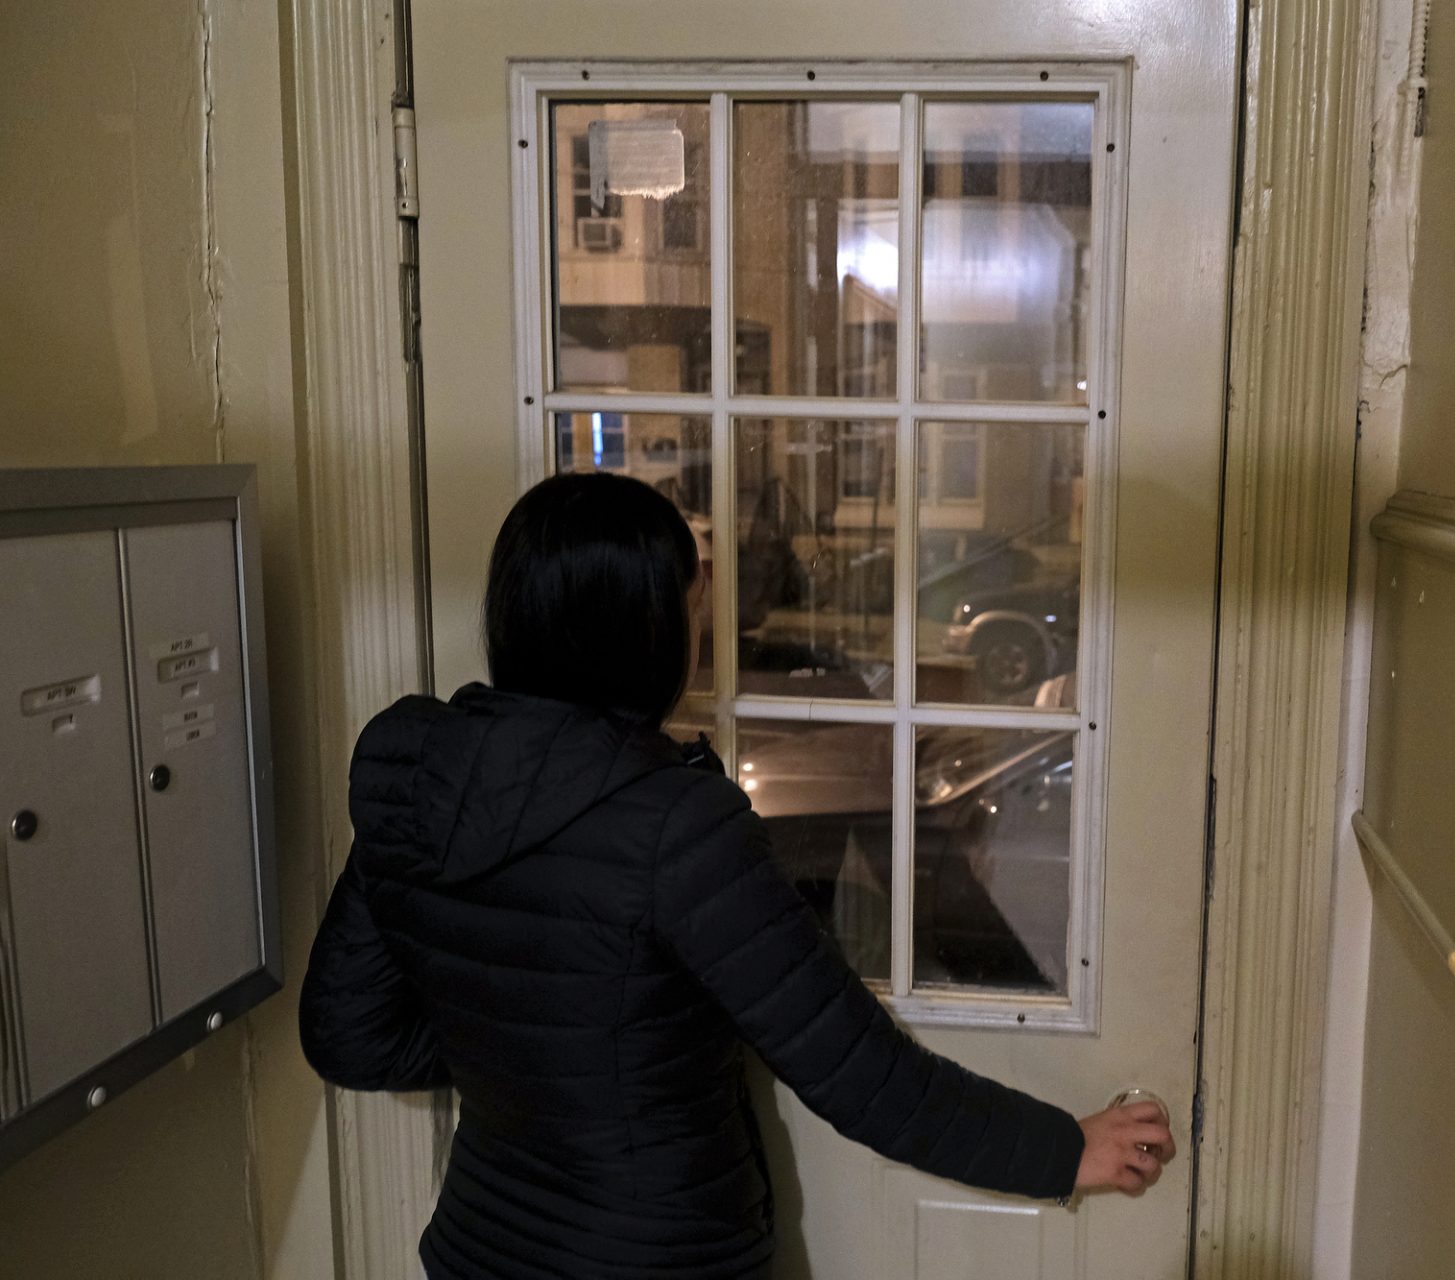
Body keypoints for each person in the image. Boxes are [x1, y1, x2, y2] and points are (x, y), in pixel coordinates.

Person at [299, 471, 1174, 1279]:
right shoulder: (677, 824)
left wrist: (522, 1054)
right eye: (693, 598)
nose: (706, 620)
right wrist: (1065, 1150)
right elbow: (861, 1074)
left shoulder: (410, 769)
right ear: (647, 625)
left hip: (479, 1253)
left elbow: (348, 1034)